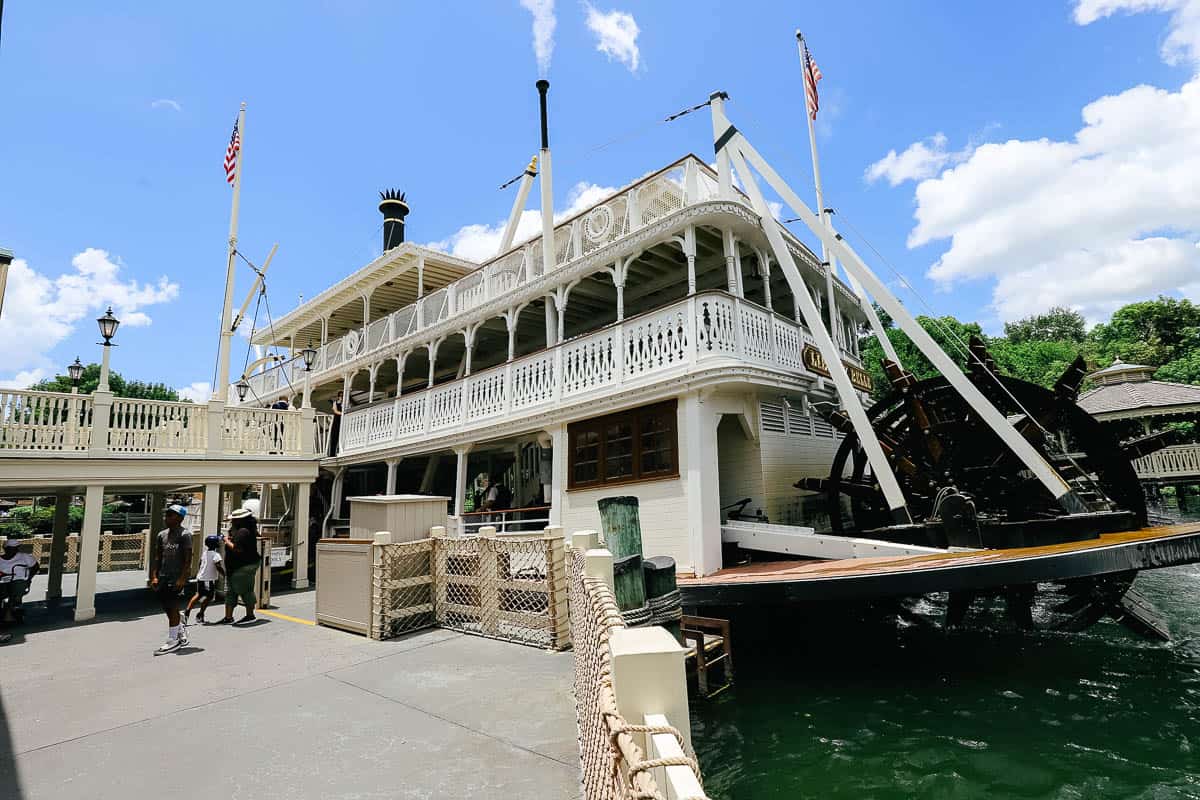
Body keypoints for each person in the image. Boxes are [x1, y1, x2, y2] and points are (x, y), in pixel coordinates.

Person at [151, 504, 193, 654]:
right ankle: (180, 628)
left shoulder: (185, 535)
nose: (167, 517)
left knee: (172, 605)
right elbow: (158, 557)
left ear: (180, 518)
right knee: (166, 606)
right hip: (163, 576)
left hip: (176, 577)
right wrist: (154, 575)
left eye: (171, 515)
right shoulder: (161, 535)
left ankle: (173, 640)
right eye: (166, 514)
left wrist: (183, 578)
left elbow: (188, 559)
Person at [216, 508, 260, 625]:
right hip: (241, 566)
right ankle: (229, 616)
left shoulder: (242, 532)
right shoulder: (249, 530)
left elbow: (237, 549)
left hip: (241, 567)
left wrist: (225, 540)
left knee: (243, 591)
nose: (232, 522)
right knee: (235, 591)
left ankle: (248, 615)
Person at [184, 534, 224, 625]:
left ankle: (188, 612)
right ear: (215, 544)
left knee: (199, 594)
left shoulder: (205, 553)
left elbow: (200, 564)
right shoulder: (216, 555)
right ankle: (199, 614)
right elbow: (218, 566)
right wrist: (223, 574)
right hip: (208, 579)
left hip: (201, 577)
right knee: (208, 596)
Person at [0, 539, 39, 624]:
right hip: (3, 581)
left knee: (16, 589)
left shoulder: (25, 557)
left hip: (19, 581)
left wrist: (29, 578)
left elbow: (35, 567)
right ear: (5, 548)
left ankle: (9, 613)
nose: (14, 550)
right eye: (11, 548)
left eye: (15, 548)